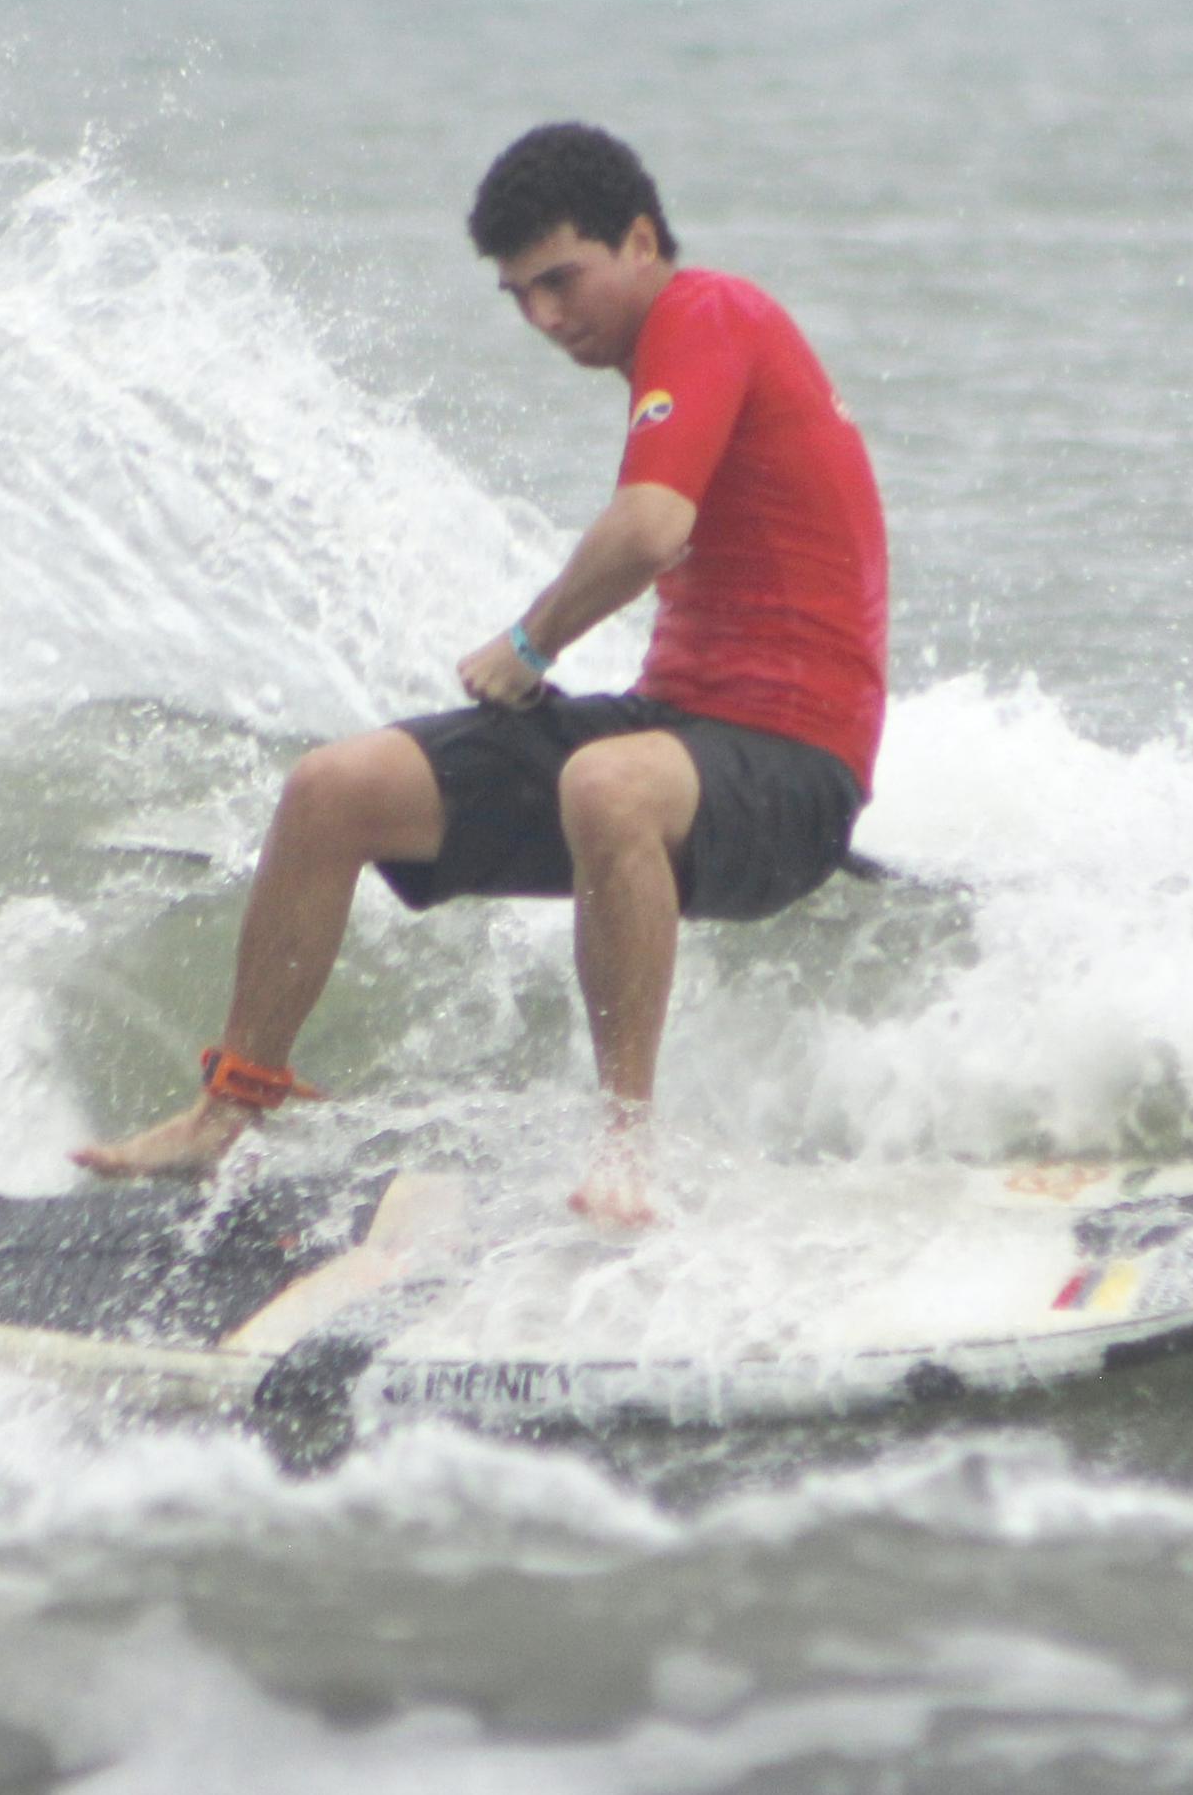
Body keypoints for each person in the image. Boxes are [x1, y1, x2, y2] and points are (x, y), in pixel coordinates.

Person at [71, 122, 889, 1231]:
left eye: (561, 278)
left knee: (606, 782)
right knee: (331, 789)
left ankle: (626, 1150)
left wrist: (532, 643)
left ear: (640, 239)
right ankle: (230, 1105)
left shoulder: (707, 313)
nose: (545, 318)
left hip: (796, 769)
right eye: (518, 296)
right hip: (683, 730)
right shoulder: (668, 351)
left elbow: (650, 528)